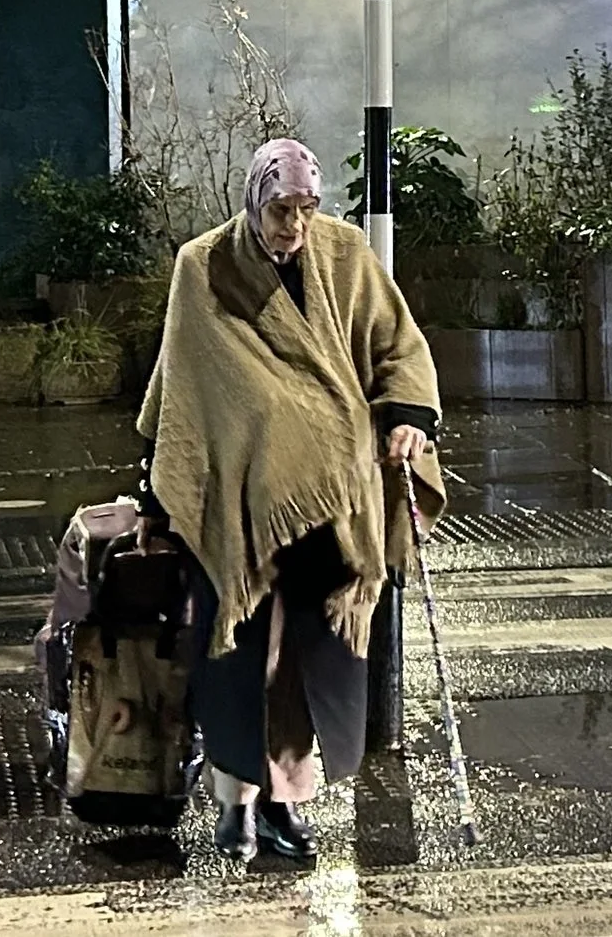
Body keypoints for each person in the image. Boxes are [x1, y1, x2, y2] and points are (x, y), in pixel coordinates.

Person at [136, 138, 442, 864]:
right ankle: (234, 805)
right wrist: (169, 485)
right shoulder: (204, 265)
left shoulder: (345, 254)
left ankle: (287, 805)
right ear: (254, 199)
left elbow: (396, 342)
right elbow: (192, 388)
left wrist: (405, 413)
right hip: (242, 505)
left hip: (333, 507)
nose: (294, 226)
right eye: (281, 209)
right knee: (237, 655)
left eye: (307, 209)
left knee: (307, 661)